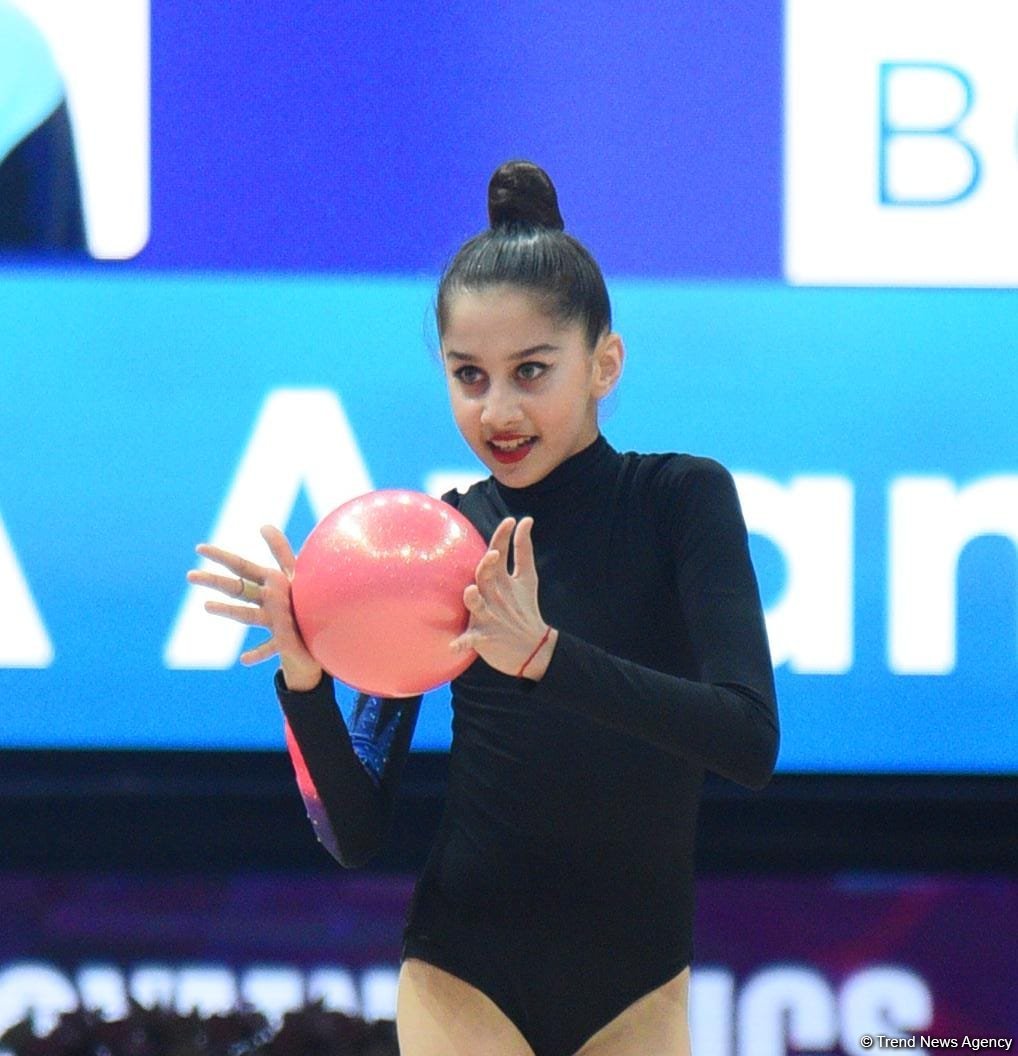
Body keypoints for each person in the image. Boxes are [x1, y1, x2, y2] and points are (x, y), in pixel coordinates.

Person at [188, 160, 779, 1056]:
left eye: (531, 371)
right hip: (465, 978)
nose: (497, 409)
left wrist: (545, 656)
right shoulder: (443, 541)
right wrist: (306, 686)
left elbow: (748, 741)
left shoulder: (681, 501)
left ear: (603, 362)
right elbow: (351, 830)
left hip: (639, 986)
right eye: (469, 376)